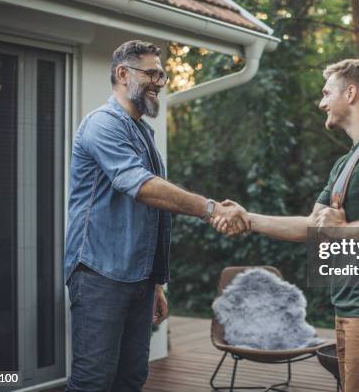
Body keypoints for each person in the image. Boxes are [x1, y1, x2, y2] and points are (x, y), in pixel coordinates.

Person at [64, 40, 249, 392]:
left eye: (161, 76)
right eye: (151, 73)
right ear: (122, 73)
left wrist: (156, 283)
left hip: (138, 279)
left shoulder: (141, 132)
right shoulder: (102, 125)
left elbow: (150, 216)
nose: (159, 82)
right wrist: (209, 208)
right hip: (100, 274)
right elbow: (141, 186)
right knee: (93, 380)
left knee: (132, 377)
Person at [214, 59, 359, 392]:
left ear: (352, 93)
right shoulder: (345, 162)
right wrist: (249, 218)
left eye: (327, 93)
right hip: (347, 305)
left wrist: (346, 228)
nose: (321, 102)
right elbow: (313, 227)